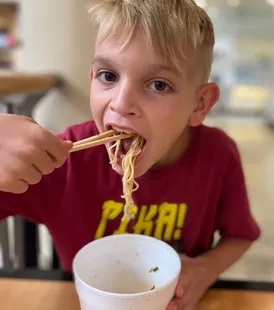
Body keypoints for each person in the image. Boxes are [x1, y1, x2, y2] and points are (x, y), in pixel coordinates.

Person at [0, 1, 260, 309]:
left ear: (199, 104)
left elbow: (241, 235)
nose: (121, 103)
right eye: (109, 76)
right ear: (92, 76)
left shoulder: (218, 157)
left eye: (159, 84)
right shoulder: (65, 161)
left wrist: (205, 270)